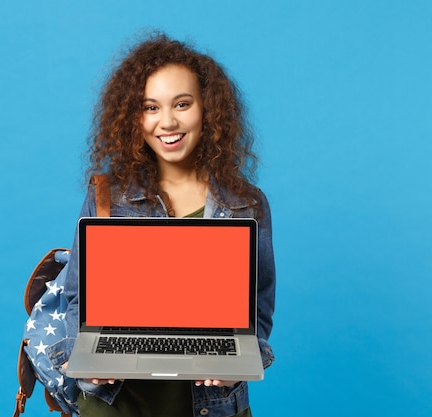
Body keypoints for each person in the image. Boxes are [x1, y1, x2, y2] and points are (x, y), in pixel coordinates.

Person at [49, 32, 276, 417]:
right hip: (117, 405)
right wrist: (87, 364)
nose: (167, 122)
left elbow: (258, 310)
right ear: (133, 117)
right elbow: (77, 299)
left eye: (182, 104)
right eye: (150, 107)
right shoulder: (109, 196)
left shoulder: (245, 203)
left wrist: (239, 361)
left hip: (211, 406)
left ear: (208, 109)